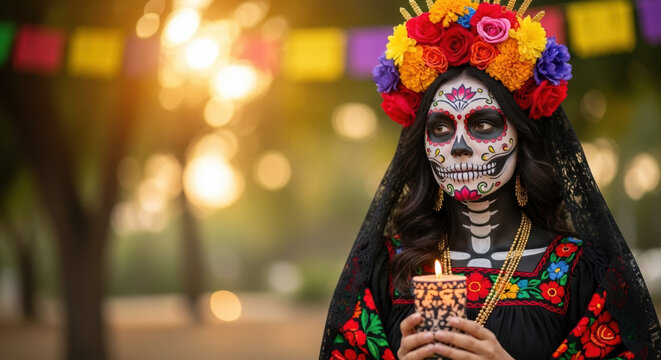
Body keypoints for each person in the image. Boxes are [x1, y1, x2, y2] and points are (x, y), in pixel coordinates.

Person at [319, 0, 661, 359]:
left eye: (483, 124)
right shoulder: (386, 270)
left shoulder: (581, 272)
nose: (459, 146)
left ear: (522, 137)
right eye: (440, 128)